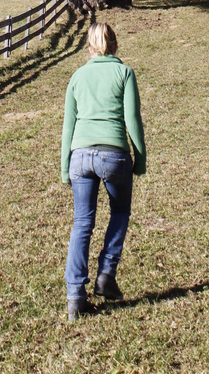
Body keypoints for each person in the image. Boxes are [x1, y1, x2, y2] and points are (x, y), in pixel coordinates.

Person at [61, 21, 146, 321]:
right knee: (120, 212)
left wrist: (63, 168)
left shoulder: (77, 76)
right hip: (114, 155)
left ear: (90, 46)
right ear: (114, 44)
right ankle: (106, 273)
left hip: (80, 157)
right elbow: (132, 120)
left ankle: (75, 296)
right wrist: (141, 157)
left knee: (82, 223)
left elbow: (68, 126)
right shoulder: (124, 72)